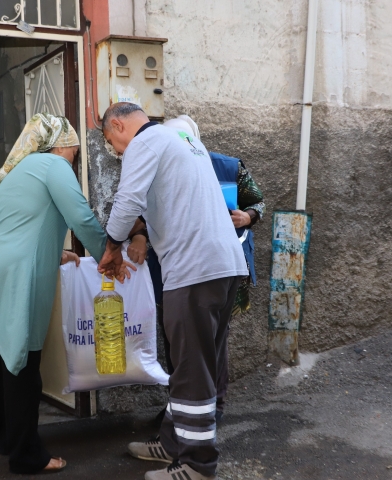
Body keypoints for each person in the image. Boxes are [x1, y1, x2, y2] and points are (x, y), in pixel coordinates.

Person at [0, 113, 133, 475]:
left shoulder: (19, 172)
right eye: (75, 152)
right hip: (10, 277)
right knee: (22, 366)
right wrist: (109, 256)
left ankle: (4, 438)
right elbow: (81, 217)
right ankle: (27, 456)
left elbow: (22, 226)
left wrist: (63, 254)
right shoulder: (53, 164)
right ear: (61, 144)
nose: (75, 159)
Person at [97, 103, 248, 480]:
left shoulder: (144, 144)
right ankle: (172, 442)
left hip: (194, 270)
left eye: (110, 141)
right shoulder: (181, 139)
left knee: (192, 366)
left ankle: (198, 465)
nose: (115, 150)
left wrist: (112, 246)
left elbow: (127, 202)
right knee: (199, 361)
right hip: (224, 265)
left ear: (118, 124)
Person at [128, 115, 266, 426]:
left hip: (214, 268)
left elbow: (258, 201)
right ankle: (182, 410)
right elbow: (142, 212)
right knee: (182, 343)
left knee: (210, 344)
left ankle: (208, 410)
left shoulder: (228, 167)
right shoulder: (160, 164)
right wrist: (137, 233)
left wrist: (248, 216)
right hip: (177, 268)